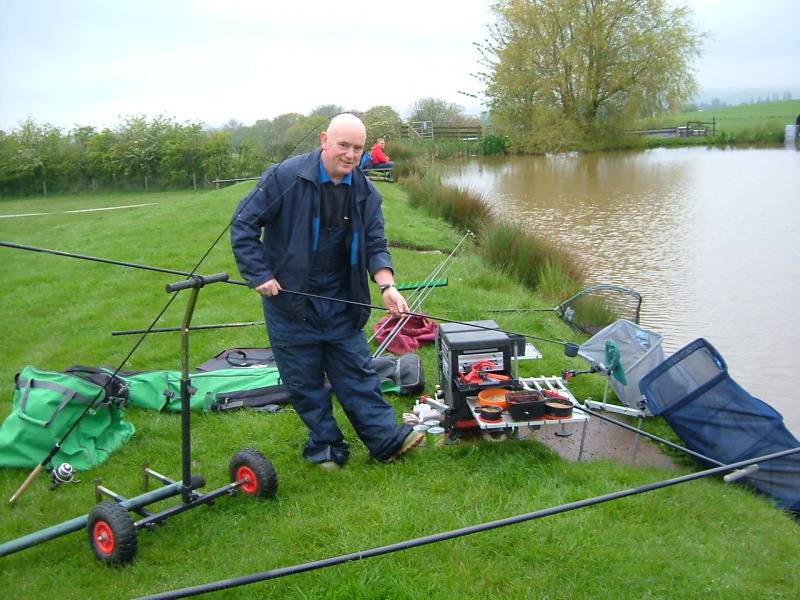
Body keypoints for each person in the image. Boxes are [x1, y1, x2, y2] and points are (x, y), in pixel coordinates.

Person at [230, 113, 424, 470]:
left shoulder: (366, 192)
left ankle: (385, 441)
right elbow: (243, 224)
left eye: (358, 148)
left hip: (342, 300)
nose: (350, 155)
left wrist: (387, 286)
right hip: (288, 302)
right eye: (343, 145)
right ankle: (326, 446)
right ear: (324, 140)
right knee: (303, 381)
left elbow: (375, 243)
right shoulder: (284, 177)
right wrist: (258, 274)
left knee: (357, 372)